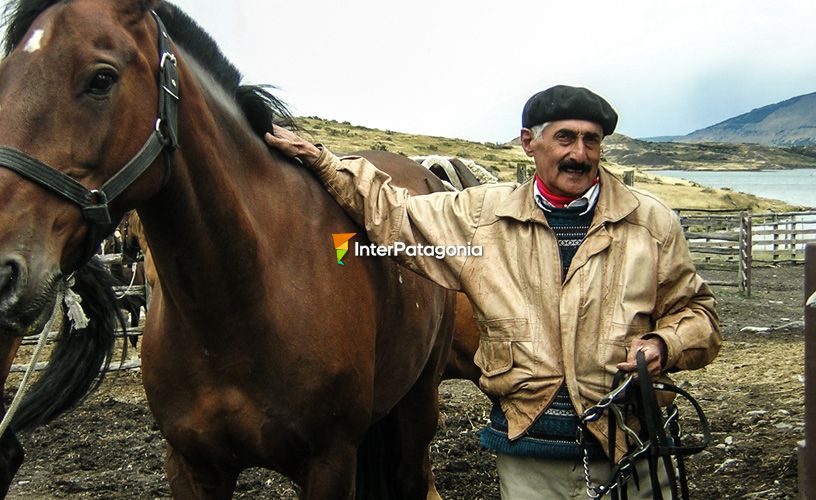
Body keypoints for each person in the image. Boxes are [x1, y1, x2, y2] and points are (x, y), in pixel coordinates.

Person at [264, 85, 721, 499]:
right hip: (531, 461)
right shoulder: (483, 218)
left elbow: (699, 314)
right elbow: (392, 211)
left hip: (632, 448)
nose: (580, 154)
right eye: (565, 138)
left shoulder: (651, 223)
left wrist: (666, 342)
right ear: (530, 143)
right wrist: (322, 160)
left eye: (591, 140)